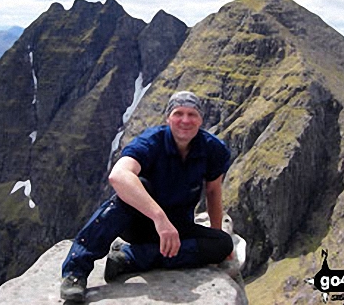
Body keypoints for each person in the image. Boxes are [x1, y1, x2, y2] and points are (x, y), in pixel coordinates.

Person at [60, 90, 234, 302]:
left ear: (201, 120)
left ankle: (128, 257)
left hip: (178, 227)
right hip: (140, 224)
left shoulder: (212, 148)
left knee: (223, 244)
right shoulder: (151, 141)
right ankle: (75, 271)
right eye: (178, 113)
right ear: (168, 117)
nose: (185, 120)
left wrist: (215, 233)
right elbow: (118, 175)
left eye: (192, 114)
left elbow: (213, 191)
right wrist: (159, 218)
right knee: (134, 187)